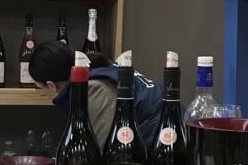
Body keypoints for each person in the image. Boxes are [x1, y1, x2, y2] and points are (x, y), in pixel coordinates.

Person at [28, 40, 163, 150]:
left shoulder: (94, 88)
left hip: (160, 144)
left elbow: (98, 151)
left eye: (40, 88)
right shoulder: (99, 69)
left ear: (51, 85)